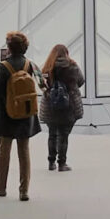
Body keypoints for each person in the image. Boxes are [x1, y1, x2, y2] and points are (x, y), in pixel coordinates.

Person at [0, 30, 39, 199]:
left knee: (4, 150)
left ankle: (1, 186)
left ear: (9, 47)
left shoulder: (4, 65)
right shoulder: (29, 64)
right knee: (24, 151)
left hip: (7, 113)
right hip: (25, 113)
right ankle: (24, 190)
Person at [41, 42, 84, 171]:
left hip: (51, 106)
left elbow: (42, 85)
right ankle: (62, 163)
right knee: (64, 135)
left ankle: (51, 162)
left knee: (52, 134)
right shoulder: (73, 67)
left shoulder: (47, 68)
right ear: (66, 53)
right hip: (68, 105)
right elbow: (81, 81)